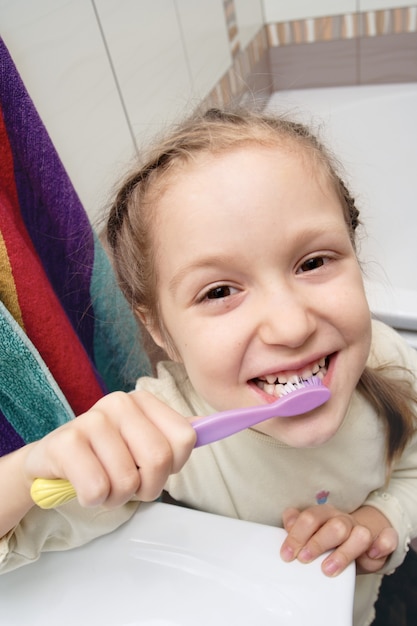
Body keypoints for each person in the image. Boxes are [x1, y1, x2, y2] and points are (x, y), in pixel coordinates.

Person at [1, 107, 416, 626]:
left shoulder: (384, 354)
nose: (290, 327)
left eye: (313, 262)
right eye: (220, 292)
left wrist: (386, 517)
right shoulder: (157, 436)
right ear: (159, 329)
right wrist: (24, 471)